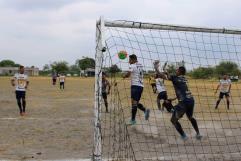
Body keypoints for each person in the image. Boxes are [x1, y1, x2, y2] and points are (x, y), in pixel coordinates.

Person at [154, 63, 202, 140]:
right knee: (190, 117)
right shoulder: (184, 78)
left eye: (177, 70)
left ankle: (184, 136)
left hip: (183, 102)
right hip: (191, 100)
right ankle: (198, 134)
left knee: (173, 120)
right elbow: (170, 76)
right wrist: (166, 72)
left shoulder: (175, 77)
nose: (175, 71)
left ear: (179, 71)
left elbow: (162, 76)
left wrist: (156, 68)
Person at [123, 54, 150, 125]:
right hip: (141, 86)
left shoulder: (132, 65)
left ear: (133, 59)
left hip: (135, 86)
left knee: (134, 103)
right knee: (135, 103)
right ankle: (145, 110)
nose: (129, 61)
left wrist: (124, 76)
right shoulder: (140, 65)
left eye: (129, 60)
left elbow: (128, 74)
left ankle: (133, 120)